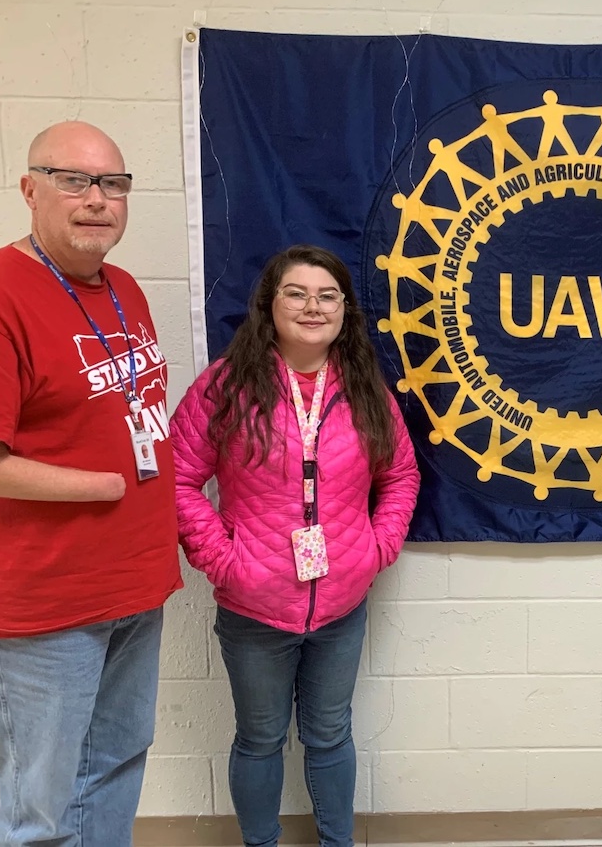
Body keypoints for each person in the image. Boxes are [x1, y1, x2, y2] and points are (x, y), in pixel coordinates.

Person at [0, 121, 182, 845]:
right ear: (30, 190)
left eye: (113, 183)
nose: (97, 199)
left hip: (135, 586)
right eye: (73, 180)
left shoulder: (124, 290)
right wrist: (101, 489)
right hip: (45, 604)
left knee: (113, 766)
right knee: (41, 807)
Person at [172, 245, 420, 847]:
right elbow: (176, 476)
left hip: (340, 607)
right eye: (297, 293)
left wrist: (377, 547)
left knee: (331, 734)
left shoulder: (365, 389)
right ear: (270, 304)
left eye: (327, 295)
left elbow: (401, 474)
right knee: (258, 738)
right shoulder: (226, 386)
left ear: (344, 310)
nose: (313, 306)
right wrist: (224, 560)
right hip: (254, 609)